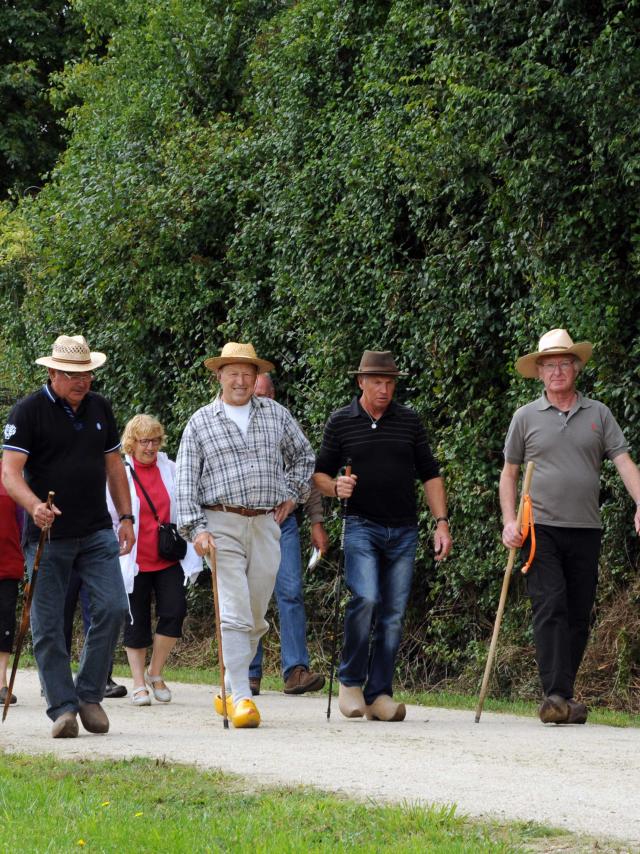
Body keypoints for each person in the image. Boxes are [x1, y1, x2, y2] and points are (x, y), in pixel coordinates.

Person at [500, 328, 640, 725]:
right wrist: (510, 522)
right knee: (550, 604)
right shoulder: (525, 417)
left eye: (564, 363)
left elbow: (625, 463)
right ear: (539, 373)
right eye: (549, 365)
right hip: (538, 527)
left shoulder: (599, 414)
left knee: (578, 612)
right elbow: (508, 475)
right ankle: (555, 696)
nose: (557, 371)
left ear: (576, 368)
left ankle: (564, 695)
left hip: (586, 528)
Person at [176, 342, 315, 728]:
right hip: (221, 525)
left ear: (256, 378)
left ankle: (227, 684)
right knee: (235, 610)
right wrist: (195, 530)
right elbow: (186, 481)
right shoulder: (200, 422)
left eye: (247, 373)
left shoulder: (276, 415)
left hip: (266, 524)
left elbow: (304, 457)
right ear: (218, 375)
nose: (240, 380)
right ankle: (241, 697)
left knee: (255, 615)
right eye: (232, 372)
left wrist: (292, 493)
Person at [1, 334, 134, 738]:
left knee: (113, 608)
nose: (83, 381)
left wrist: (126, 516)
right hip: (47, 536)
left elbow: (114, 466)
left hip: (95, 530)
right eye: (74, 374)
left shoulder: (100, 407)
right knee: (46, 623)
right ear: (53, 372)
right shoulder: (27, 411)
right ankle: (62, 708)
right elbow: (9, 472)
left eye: (88, 373)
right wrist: (34, 507)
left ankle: (89, 694)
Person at [314, 350, 452, 722]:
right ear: (361, 382)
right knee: (367, 597)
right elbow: (319, 475)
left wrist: (441, 522)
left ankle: (379, 693)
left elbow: (430, 474)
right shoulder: (341, 421)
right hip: (360, 525)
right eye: (377, 382)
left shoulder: (409, 421)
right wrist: (336, 486)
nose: (384, 389)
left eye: (390, 382)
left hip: (404, 529)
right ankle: (350, 682)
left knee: (392, 614)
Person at [107, 414, 201, 706]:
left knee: (174, 612)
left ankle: (155, 672)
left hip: (166, 557)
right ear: (131, 443)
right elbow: (109, 515)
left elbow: (185, 504)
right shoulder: (119, 473)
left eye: (155, 440)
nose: (150, 447)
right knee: (136, 623)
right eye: (144, 441)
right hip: (133, 559)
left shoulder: (172, 469)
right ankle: (137, 683)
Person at [248, 374, 327, 696]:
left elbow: (306, 470)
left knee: (291, 592)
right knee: (252, 598)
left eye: (267, 394)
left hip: (285, 523)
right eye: (257, 395)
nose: (263, 400)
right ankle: (249, 672)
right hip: (250, 523)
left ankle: (296, 670)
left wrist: (316, 521)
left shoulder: (284, 425)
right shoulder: (238, 427)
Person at [63, 568, 127, 698]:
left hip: (93, 552)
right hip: (60, 552)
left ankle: (100, 679)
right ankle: (57, 679)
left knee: (100, 613)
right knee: (60, 615)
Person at [0, 460, 24, 706]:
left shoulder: (9, 474)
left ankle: (1, 682)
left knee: (5, 620)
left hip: (7, 562)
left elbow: (22, 521)